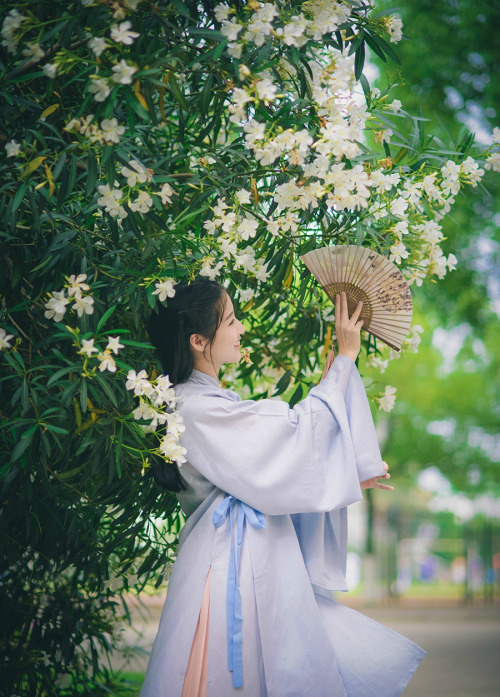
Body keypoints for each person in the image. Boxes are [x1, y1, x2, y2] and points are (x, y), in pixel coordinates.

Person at [140, 278, 426, 697]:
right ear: (199, 340)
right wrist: (345, 361)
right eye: (232, 321)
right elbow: (290, 440)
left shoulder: (209, 403)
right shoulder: (194, 407)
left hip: (244, 564)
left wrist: (344, 470)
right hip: (227, 571)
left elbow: (277, 463)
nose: (241, 330)